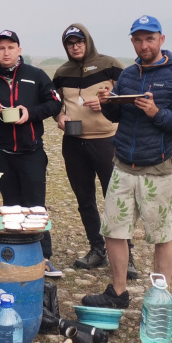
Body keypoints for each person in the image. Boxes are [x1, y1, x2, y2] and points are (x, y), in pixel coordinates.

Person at [82, 15, 172, 309]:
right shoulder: (128, 75)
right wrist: (108, 102)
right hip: (123, 164)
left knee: (161, 235)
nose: (144, 45)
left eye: (150, 39)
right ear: (132, 42)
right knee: (113, 231)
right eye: (138, 39)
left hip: (158, 168)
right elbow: (117, 116)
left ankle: (159, 297)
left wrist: (157, 113)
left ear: (162, 39)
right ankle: (118, 292)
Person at [0, 30, 63, 275]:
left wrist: (30, 113)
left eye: (11, 47)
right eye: (1, 48)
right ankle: (17, 255)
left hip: (31, 150)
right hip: (1, 151)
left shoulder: (35, 75)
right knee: (10, 205)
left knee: (35, 206)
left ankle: (43, 258)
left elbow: (55, 103)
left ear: (19, 50)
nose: (6, 52)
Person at [51, 23, 137, 279]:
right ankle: (97, 249)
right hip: (74, 143)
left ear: (87, 41)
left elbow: (129, 96)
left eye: (79, 41)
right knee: (85, 199)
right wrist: (59, 116)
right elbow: (53, 102)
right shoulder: (62, 72)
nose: (75, 47)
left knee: (116, 199)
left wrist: (107, 103)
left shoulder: (109, 65)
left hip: (107, 141)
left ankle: (127, 255)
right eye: (70, 43)